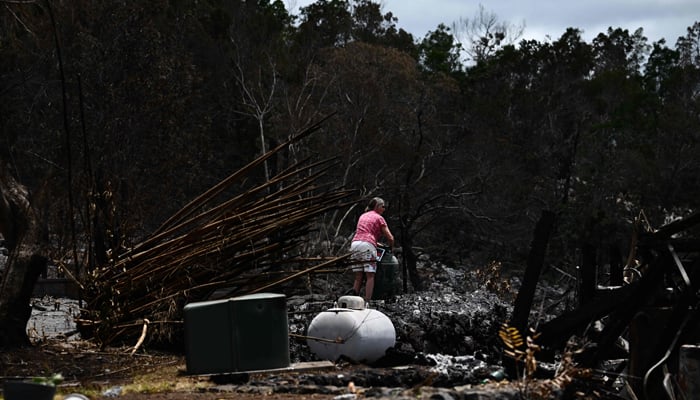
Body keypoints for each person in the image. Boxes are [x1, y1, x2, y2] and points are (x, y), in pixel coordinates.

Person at [349, 197, 394, 302]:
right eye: (383, 207)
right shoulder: (379, 218)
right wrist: (391, 247)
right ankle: (368, 301)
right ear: (377, 206)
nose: (384, 209)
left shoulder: (362, 216)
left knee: (358, 275)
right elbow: (390, 237)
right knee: (370, 275)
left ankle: (354, 301)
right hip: (367, 245)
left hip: (355, 244)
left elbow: (364, 233)